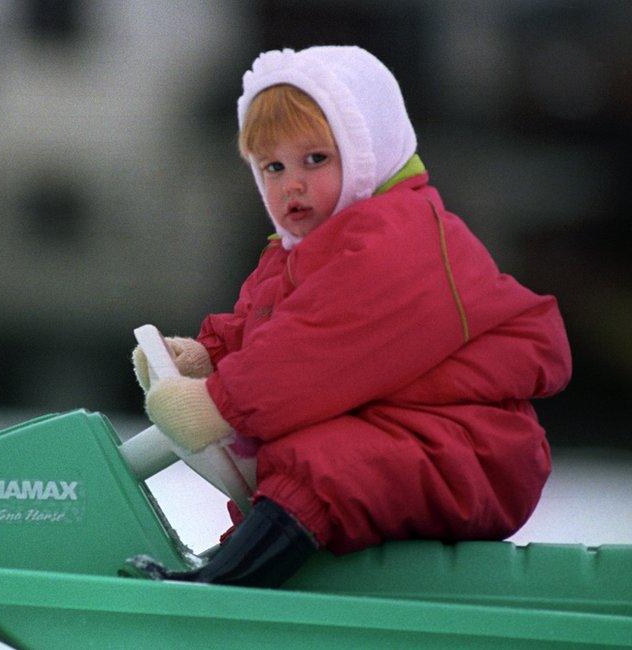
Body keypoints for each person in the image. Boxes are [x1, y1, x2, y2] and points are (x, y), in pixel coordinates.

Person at [124, 46, 572, 588]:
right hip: (402, 429)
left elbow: (321, 346)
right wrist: (205, 360)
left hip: (470, 447)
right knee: (298, 464)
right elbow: (269, 330)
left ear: (367, 151)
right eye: (273, 166)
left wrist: (220, 403)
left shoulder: (399, 238)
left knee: (320, 467)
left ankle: (230, 585)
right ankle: (255, 569)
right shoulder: (300, 251)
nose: (292, 184)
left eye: (315, 159)